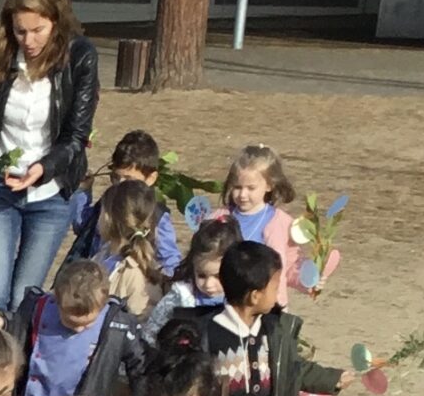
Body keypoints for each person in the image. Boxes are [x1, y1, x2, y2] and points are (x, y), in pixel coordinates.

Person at [0, 0, 100, 317]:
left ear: (55, 22)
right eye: (21, 31)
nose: (29, 40)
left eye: (38, 30)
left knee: (25, 296)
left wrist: (43, 169)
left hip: (50, 190)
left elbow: (77, 135)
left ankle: (16, 350)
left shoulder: (80, 56)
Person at [189, 242, 355, 396]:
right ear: (255, 296)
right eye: (275, 288)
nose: (277, 295)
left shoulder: (275, 331)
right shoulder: (206, 335)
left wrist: (332, 379)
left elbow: (293, 369)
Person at [15, 259, 144, 396]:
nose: (78, 329)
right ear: (56, 300)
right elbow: (14, 335)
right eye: (70, 322)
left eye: (87, 323)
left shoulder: (117, 325)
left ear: (103, 305)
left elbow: (140, 361)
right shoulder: (36, 309)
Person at [65, 129, 180, 278]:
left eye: (129, 179)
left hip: (130, 282)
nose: (120, 185)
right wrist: (83, 191)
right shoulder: (107, 203)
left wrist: (167, 284)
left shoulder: (156, 216)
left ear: (151, 178)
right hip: (94, 280)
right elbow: (82, 226)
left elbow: (170, 259)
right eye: (115, 177)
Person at [211, 143, 300, 302]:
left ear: (269, 185)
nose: (242, 195)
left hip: (266, 305)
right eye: (237, 187)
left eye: (251, 188)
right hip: (221, 304)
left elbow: (291, 266)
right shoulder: (218, 218)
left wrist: (309, 281)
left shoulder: (281, 223)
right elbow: (201, 259)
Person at [142, 215, 239, 343]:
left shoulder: (242, 300)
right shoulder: (180, 297)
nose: (208, 284)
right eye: (201, 275)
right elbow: (152, 330)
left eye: (218, 276)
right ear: (192, 266)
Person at [92, 179, 167, 317]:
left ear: (109, 218)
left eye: (101, 212)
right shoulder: (103, 255)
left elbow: (138, 319)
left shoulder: (134, 273)